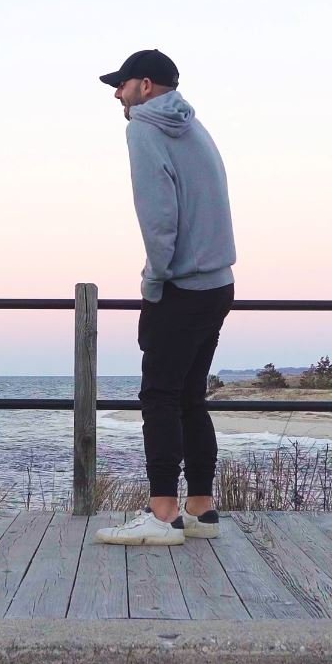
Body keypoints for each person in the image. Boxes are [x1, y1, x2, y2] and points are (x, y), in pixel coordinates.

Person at [93, 49, 237, 547]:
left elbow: (159, 218)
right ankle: (200, 508)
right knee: (190, 397)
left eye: (122, 84)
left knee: (159, 397)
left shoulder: (145, 129)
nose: (116, 93)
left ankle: (163, 515)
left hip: (181, 284)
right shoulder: (195, 127)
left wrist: (153, 281)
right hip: (218, 282)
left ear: (146, 86)